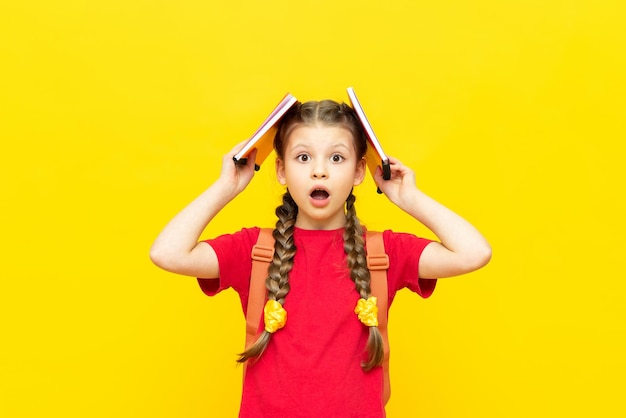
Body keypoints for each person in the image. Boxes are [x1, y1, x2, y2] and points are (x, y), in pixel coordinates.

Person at [150, 99, 491, 417]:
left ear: (360, 171)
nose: (319, 171)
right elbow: (167, 253)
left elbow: (474, 253)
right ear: (281, 170)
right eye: (303, 158)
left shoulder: (384, 252)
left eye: (336, 158)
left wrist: (410, 199)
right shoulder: (254, 250)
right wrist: (225, 188)